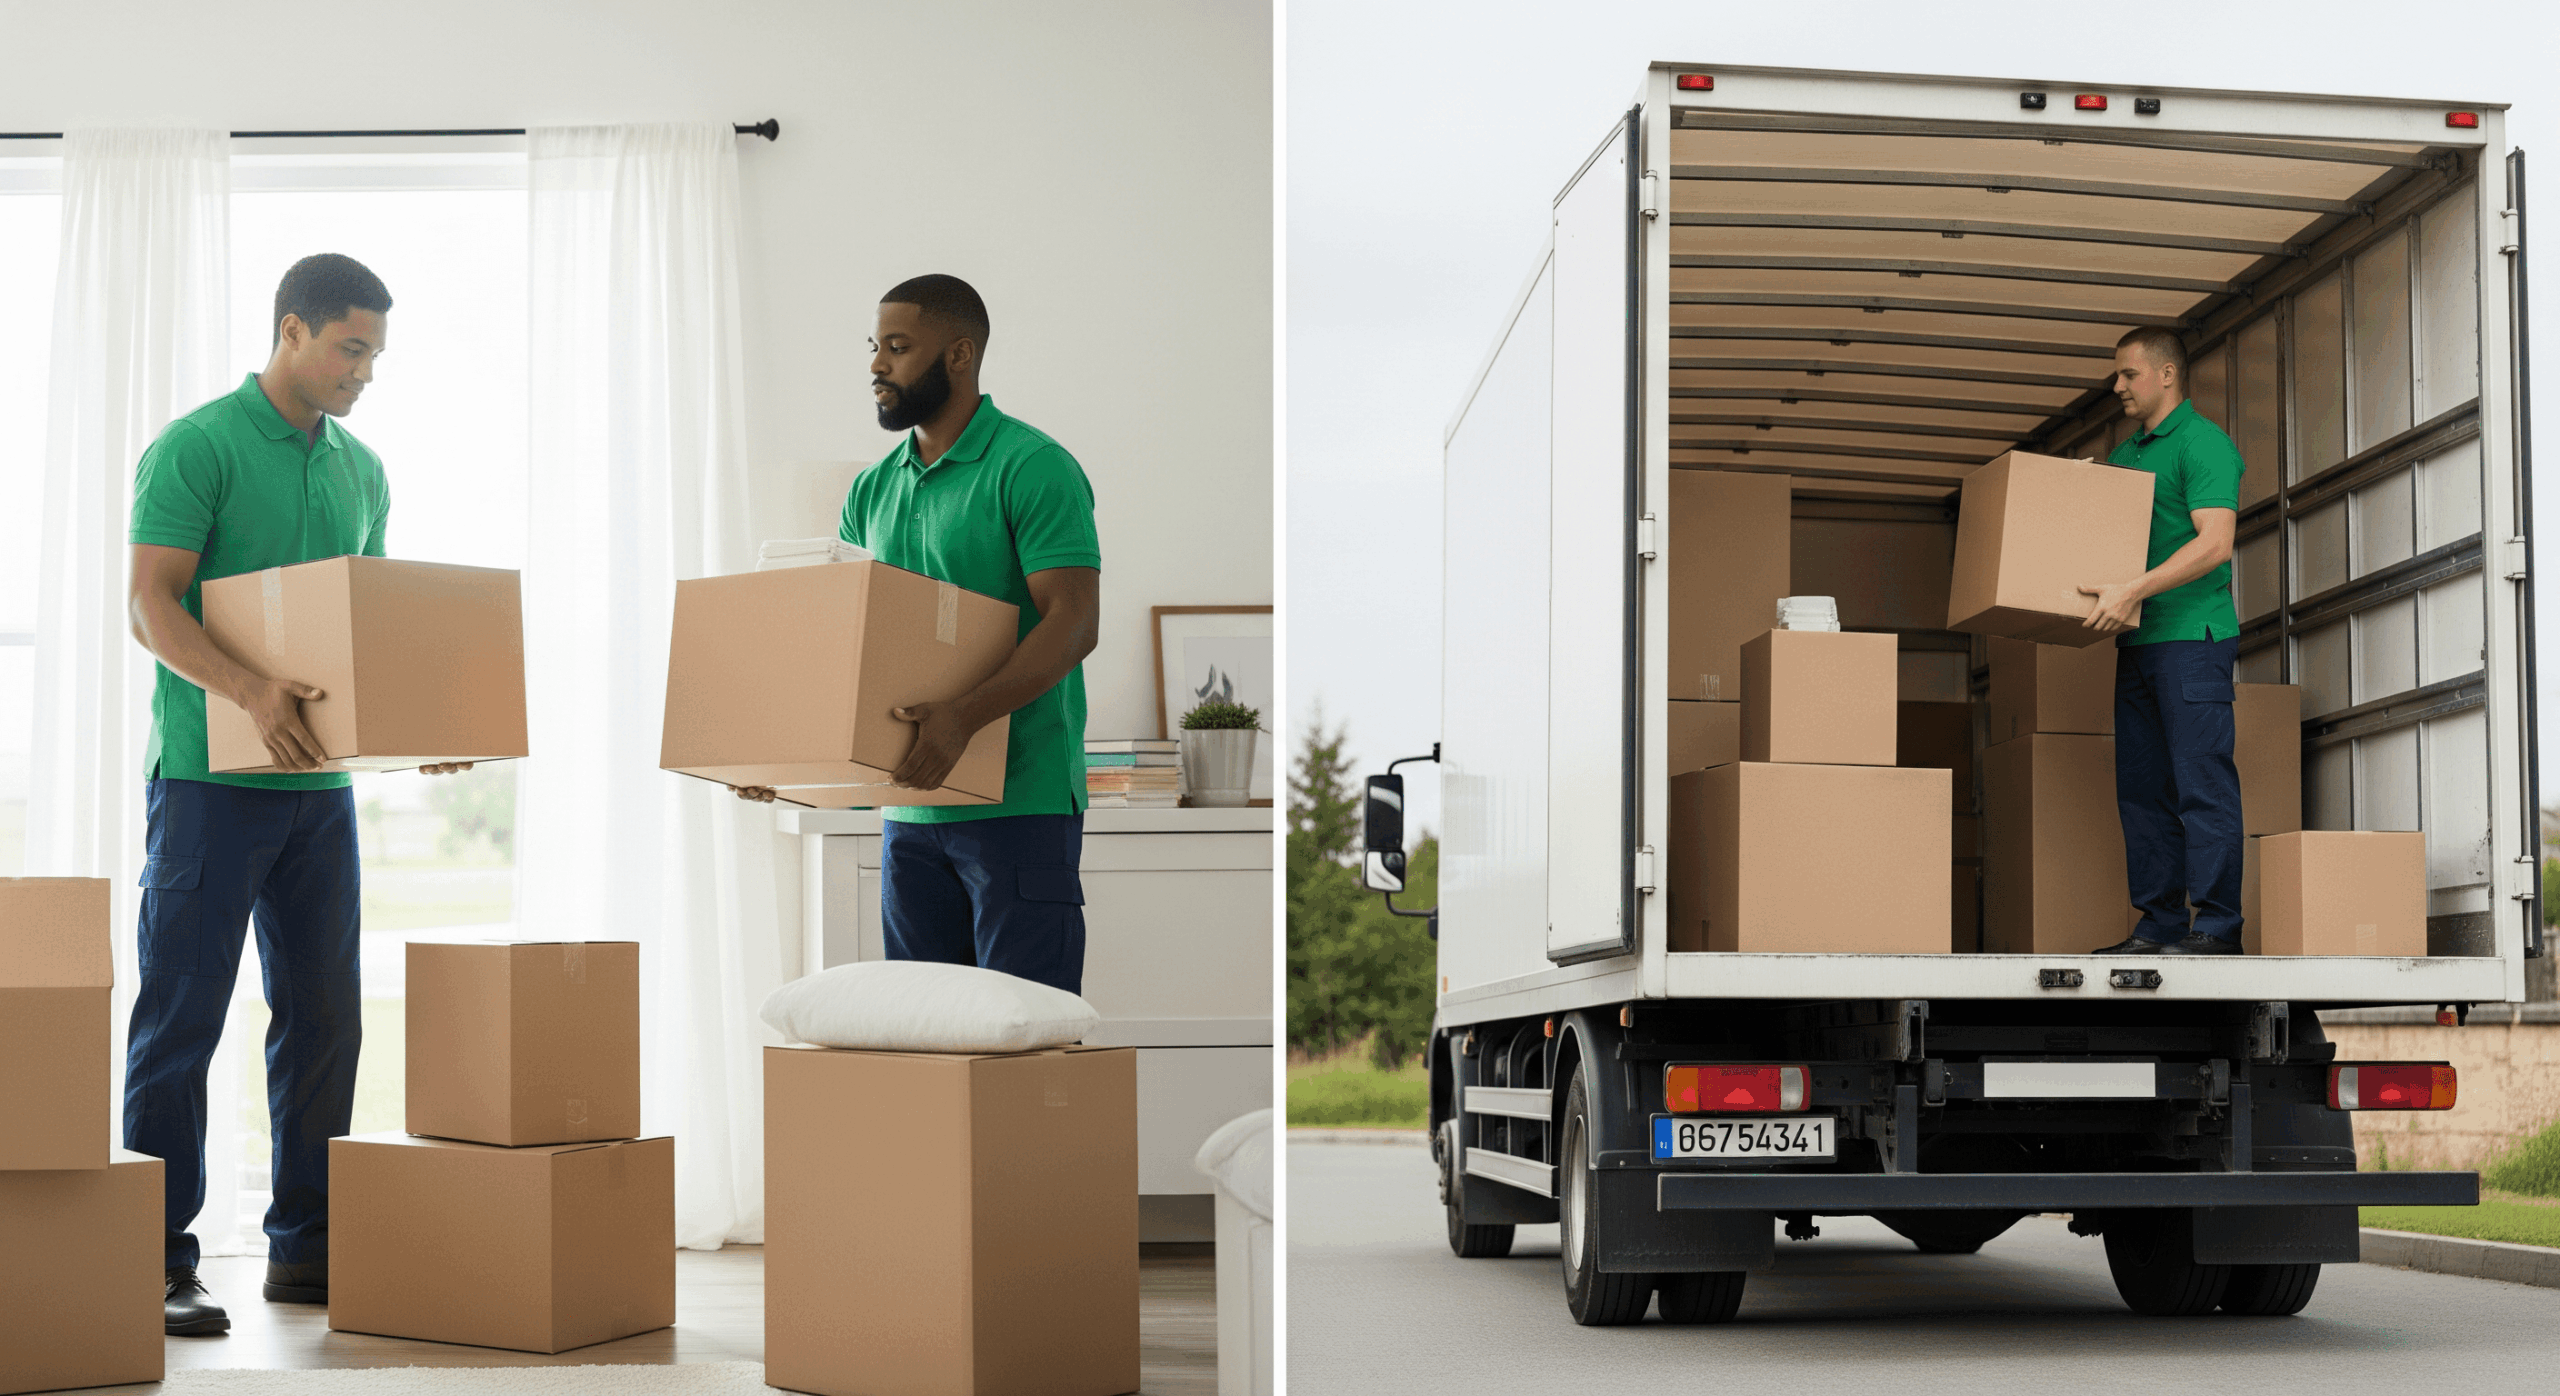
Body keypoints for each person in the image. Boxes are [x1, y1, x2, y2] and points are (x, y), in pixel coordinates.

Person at [124, 254, 473, 1337]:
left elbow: (357, 633)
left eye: (374, 353)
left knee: (324, 1019)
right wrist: (247, 688)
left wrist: (420, 725)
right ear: (292, 332)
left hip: (318, 793)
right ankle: (154, 1262)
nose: (364, 371)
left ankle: (309, 1252)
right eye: (350, 348)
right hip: (206, 784)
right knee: (181, 1018)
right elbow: (150, 604)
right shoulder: (199, 446)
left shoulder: (362, 470)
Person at [735, 275, 1102, 994]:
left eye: (898, 347)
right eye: (875, 347)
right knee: (926, 1043)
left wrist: (962, 718)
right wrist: (780, 759)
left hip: (1018, 805)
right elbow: (843, 643)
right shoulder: (871, 490)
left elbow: (1075, 623)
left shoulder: (1033, 468)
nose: (877, 365)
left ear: (959, 355)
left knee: (1024, 1040)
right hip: (908, 810)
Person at [2080, 325, 2246, 956]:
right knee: (2143, 790)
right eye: (2117, 375)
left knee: (2201, 784)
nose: (2117, 385)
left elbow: (2215, 542)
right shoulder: (2129, 456)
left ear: (2167, 375)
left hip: (2194, 640)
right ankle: (2159, 925)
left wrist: (2134, 591)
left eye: (2129, 374)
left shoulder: (2204, 445)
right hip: (2141, 642)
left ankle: (2217, 928)